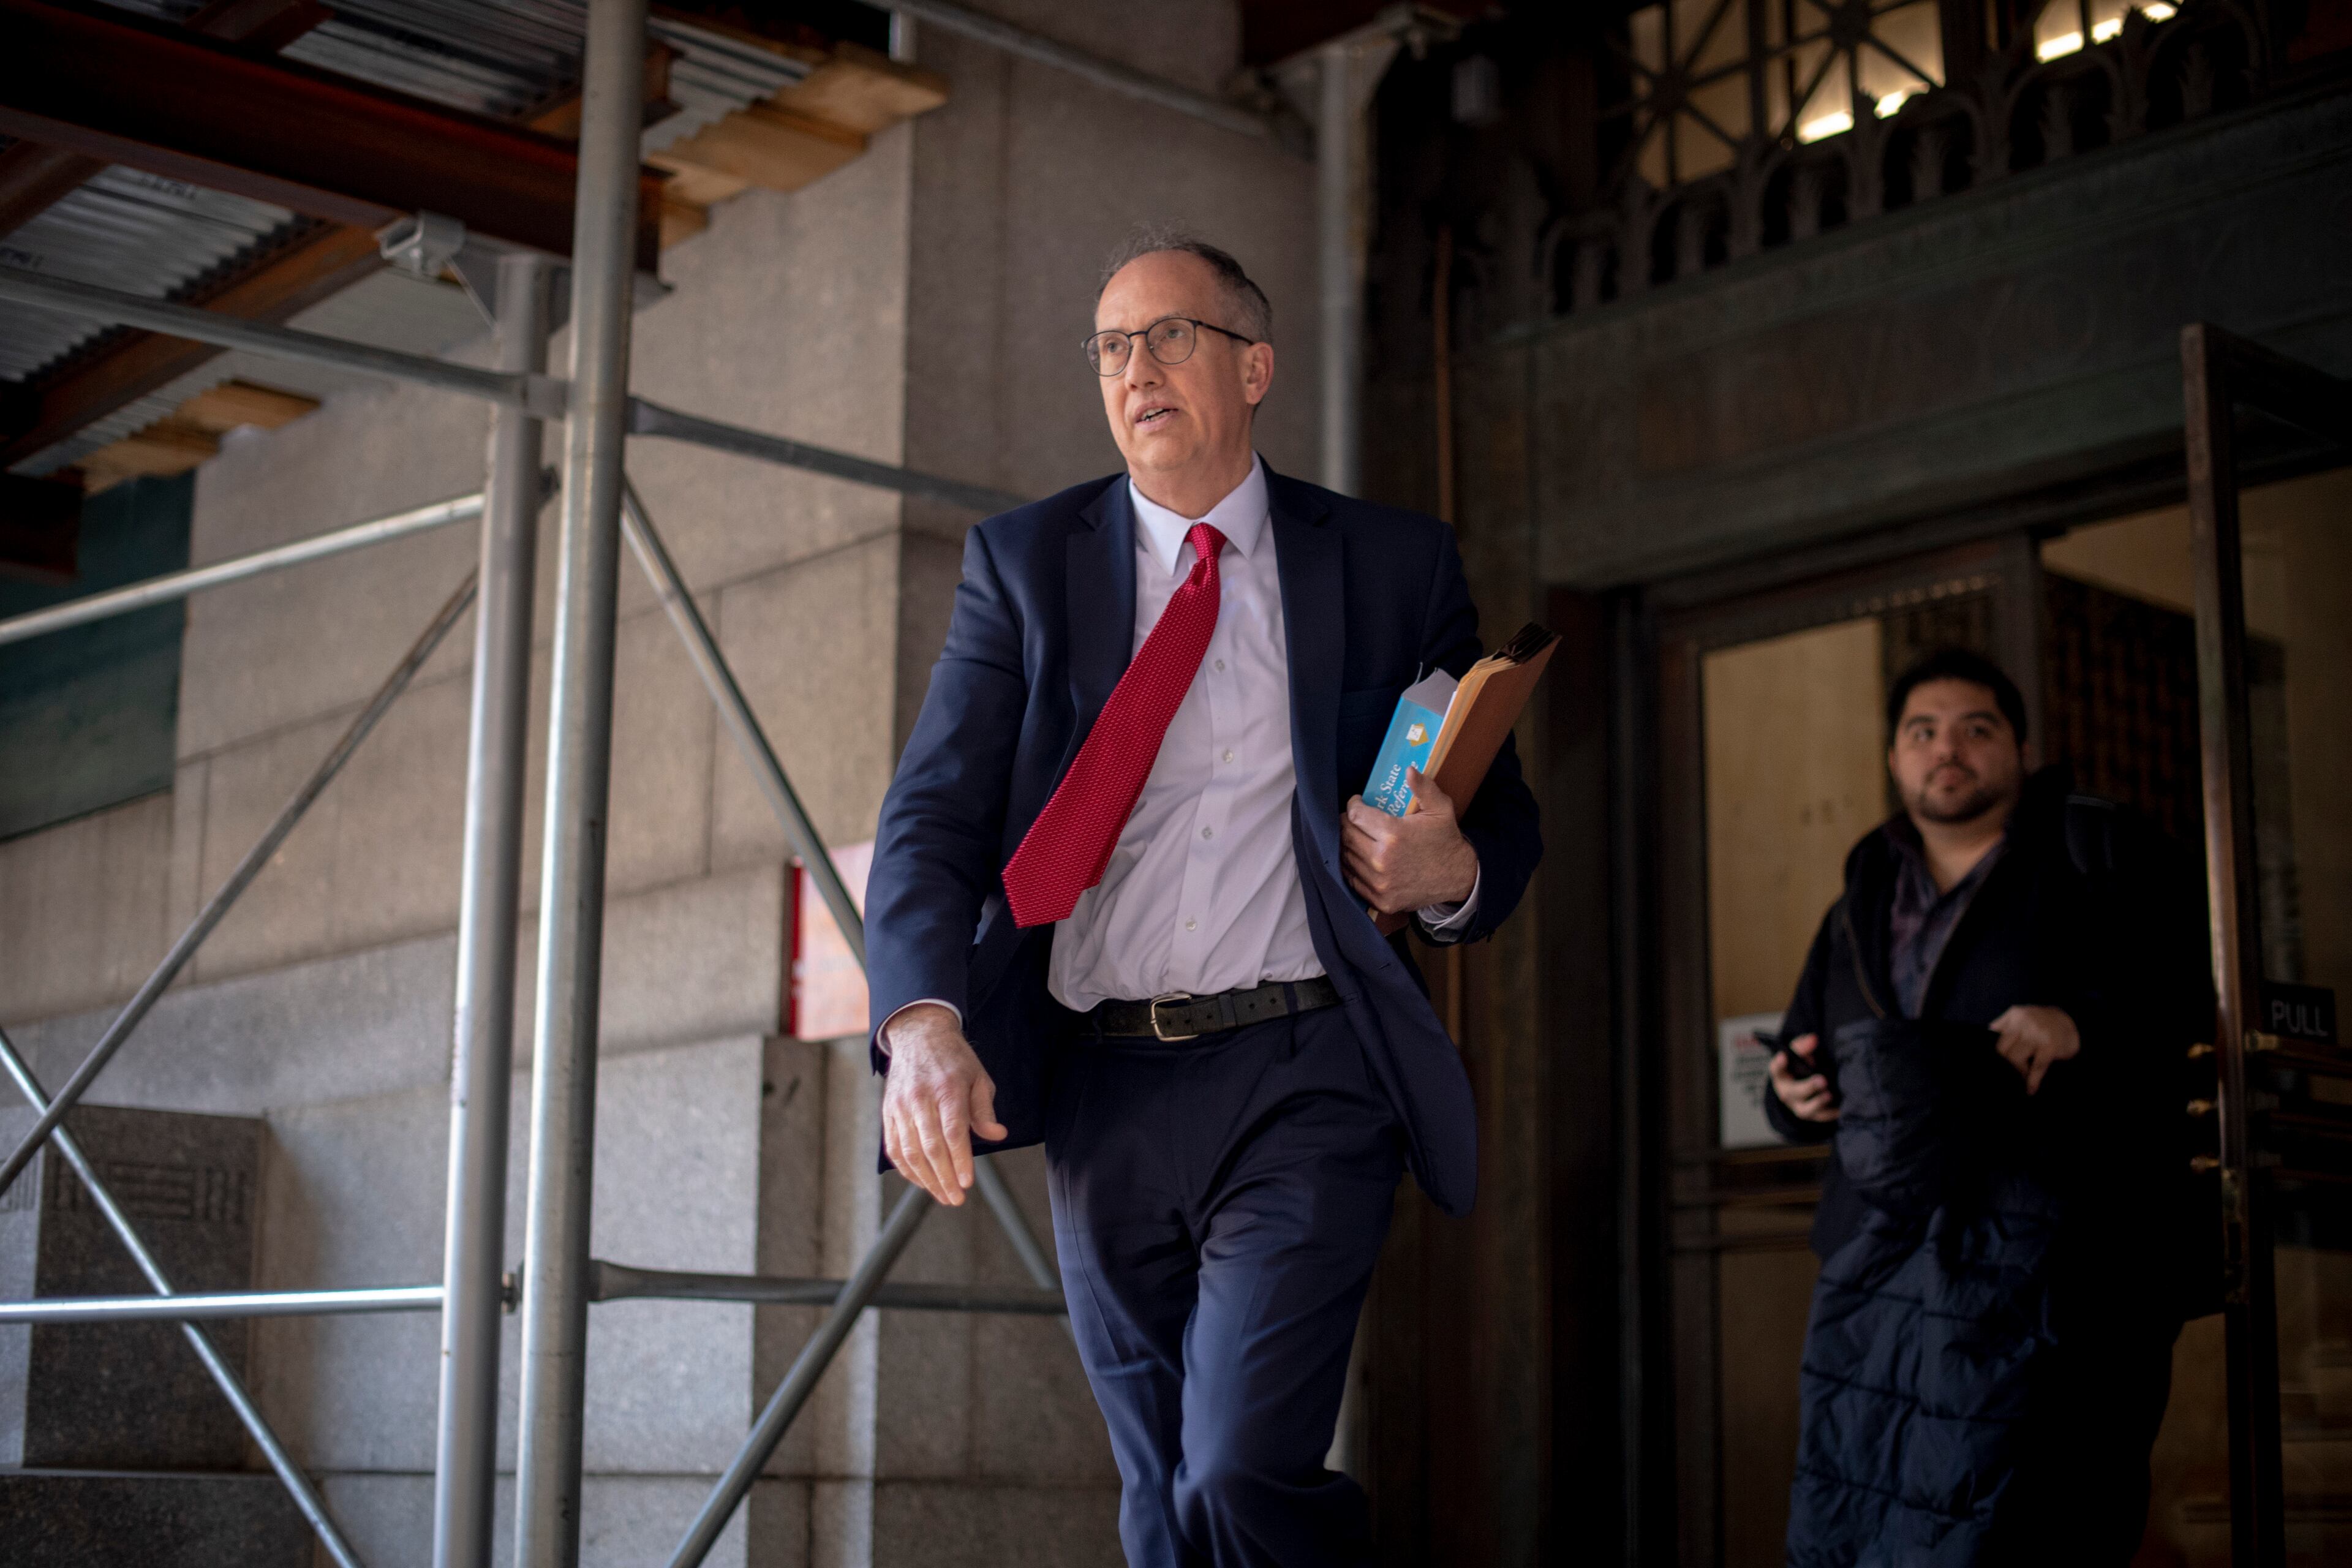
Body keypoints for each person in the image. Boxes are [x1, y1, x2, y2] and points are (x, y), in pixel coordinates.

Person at [861, 229, 1542, 1567]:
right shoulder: (1027, 562)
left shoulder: (1393, 564)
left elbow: (1493, 810)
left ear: (1256, 366)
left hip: (1306, 1067)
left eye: (1171, 334)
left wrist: (1446, 869)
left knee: (1238, 1468)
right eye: (1112, 346)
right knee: (1163, 1500)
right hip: (1105, 1083)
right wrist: (923, 1017)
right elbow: (934, 813)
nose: (1136, 369)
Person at [1765, 647, 2209, 1566]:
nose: (1948, 749)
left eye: (1976, 728)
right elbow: (1802, 1053)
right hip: (1879, 1271)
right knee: (1867, 1526)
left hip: (2061, 1268)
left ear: (2022, 747)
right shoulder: (1860, 895)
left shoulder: (2098, 854)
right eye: (1923, 732)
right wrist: (1791, 1095)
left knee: (2038, 1526)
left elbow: (2193, 998)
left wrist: (2083, 1024)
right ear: (1894, 759)